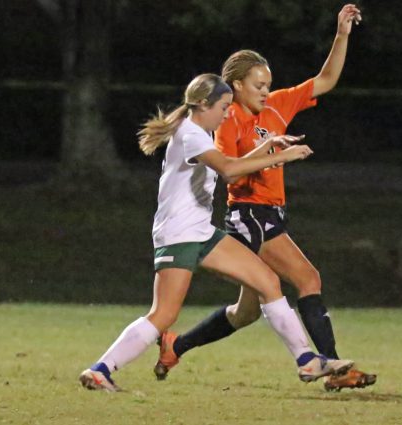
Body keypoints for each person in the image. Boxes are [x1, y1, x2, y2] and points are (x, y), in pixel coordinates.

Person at [78, 73, 354, 392]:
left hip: (203, 234)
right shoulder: (191, 134)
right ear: (204, 105)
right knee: (163, 315)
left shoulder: (199, 134)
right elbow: (229, 170)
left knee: (268, 281)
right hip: (179, 236)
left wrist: (265, 146)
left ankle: (307, 360)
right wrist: (282, 156)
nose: (226, 114)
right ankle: (101, 370)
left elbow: (226, 166)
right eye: (223, 107)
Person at [153, 4, 376, 392]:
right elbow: (229, 167)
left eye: (267, 84)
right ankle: (331, 368)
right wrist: (277, 153)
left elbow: (324, 81)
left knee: (247, 311)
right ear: (236, 85)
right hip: (248, 214)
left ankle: (177, 345)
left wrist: (341, 34)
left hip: (270, 213)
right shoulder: (227, 119)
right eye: (258, 85)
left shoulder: (275, 106)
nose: (266, 91)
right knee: (306, 278)